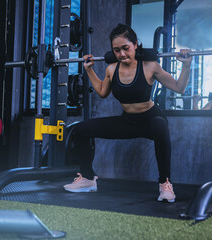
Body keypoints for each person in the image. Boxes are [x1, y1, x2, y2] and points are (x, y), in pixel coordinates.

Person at [63, 24, 192, 203]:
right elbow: (102, 92)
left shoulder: (150, 66)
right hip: (127, 121)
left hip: (150, 119)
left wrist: (186, 66)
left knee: (160, 126)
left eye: (126, 48)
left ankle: (165, 183)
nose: (122, 54)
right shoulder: (112, 69)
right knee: (81, 129)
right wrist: (89, 69)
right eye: (116, 50)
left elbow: (179, 87)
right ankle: (87, 179)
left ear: (135, 45)